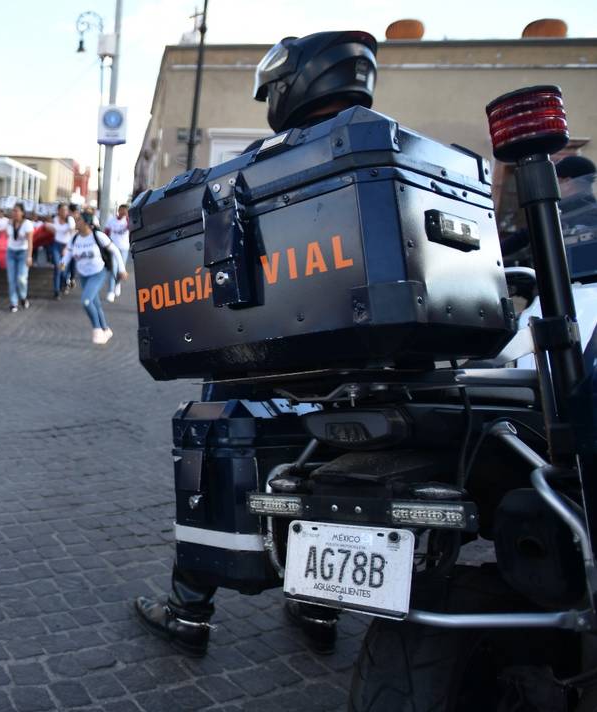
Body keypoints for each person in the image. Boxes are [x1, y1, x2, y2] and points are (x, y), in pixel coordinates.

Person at [134, 29, 380, 658]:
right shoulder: (387, 144)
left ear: (292, 88)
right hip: (379, 365)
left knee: (213, 449)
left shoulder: (271, 157)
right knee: (339, 476)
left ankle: (189, 611)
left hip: (272, 357)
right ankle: (317, 604)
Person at [62, 210, 126, 343]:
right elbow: (68, 254)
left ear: (86, 223)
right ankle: (106, 329)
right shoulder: (74, 238)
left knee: (86, 301)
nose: (76, 221)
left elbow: (115, 251)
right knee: (95, 303)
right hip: (83, 275)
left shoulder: (98, 236)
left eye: (79, 220)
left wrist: (122, 269)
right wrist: (62, 263)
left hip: (98, 272)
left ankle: (97, 330)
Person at [5, 202, 33, 312]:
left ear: (22, 212)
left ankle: (23, 296)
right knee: (11, 279)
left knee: (21, 278)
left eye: (17, 211)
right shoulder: (9, 223)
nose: (14, 213)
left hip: (23, 252)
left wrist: (29, 256)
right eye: (13, 210)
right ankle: (13, 302)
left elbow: (30, 241)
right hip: (11, 252)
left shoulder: (27, 224)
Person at [47, 203, 76, 298]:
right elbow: (47, 225)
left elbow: (72, 234)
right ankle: (56, 291)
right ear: (58, 211)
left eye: (66, 210)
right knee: (57, 266)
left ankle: (64, 283)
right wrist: (48, 226)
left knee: (62, 269)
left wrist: (67, 247)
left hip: (66, 246)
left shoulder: (70, 220)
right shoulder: (55, 219)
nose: (64, 212)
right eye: (62, 210)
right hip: (56, 245)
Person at [105, 204, 131, 303]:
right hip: (113, 247)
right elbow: (106, 232)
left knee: (121, 269)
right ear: (118, 210)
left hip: (124, 248)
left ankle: (117, 284)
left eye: (125, 211)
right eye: (121, 210)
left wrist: (127, 218)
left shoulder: (128, 220)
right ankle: (110, 291)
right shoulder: (111, 220)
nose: (123, 212)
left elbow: (131, 227)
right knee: (113, 268)